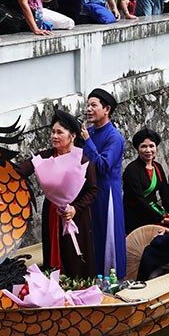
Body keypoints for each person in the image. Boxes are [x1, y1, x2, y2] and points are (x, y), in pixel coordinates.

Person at [15, 110, 98, 279]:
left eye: (60, 132)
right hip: (52, 212)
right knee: (53, 251)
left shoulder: (83, 161)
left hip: (76, 216)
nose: (54, 136)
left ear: (73, 136)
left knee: (75, 257)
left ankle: (77, 288)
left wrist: (75, 208)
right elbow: (21, 171)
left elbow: (92, 190)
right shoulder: (45, 157)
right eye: (53, 131)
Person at [82, 88, 127, 279]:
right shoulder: (91, 132)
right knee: (92, 236)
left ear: (106, 109)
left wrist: (87, 141)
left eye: (94, 105)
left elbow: (102, 166)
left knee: (108, 236)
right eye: (88, 105)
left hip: (107, 192)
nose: (88, 109)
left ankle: (113, 279)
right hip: (90, 191)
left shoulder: (114, 137)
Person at [123, 127, 169, 233]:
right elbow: (138, 199)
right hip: (137, 214)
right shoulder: (132, 170)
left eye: (151, 146)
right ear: (138, 149)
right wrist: (162, 219)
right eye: (144, 146)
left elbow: (166, 194)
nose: (148, 150)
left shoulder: (157, 167)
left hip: (153, 210)